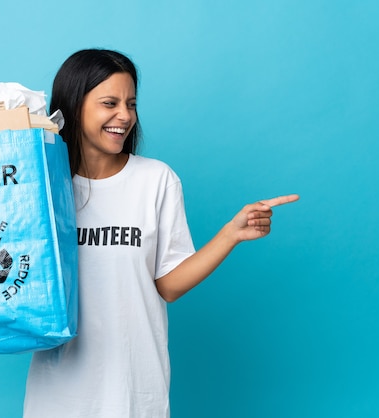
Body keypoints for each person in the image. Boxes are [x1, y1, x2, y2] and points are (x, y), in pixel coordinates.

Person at [23, 49, 299, 418]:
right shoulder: (42, 183)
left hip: (135, 390)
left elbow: (168, 284)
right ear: (74, 105)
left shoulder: (156, 180)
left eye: (131, 104)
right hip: (58, 393)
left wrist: (230, 234)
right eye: (110, 103)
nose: (125, 116)